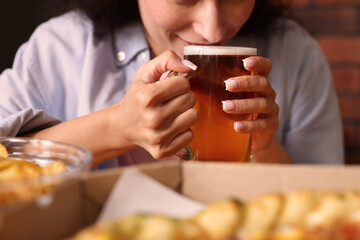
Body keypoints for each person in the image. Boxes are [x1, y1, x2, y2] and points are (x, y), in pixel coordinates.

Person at [0, 0, 344, 167]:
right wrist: (116, 127)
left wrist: (264, 146)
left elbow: (328, 200)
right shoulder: (60, 47)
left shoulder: (295, 54)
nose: (213, 31)